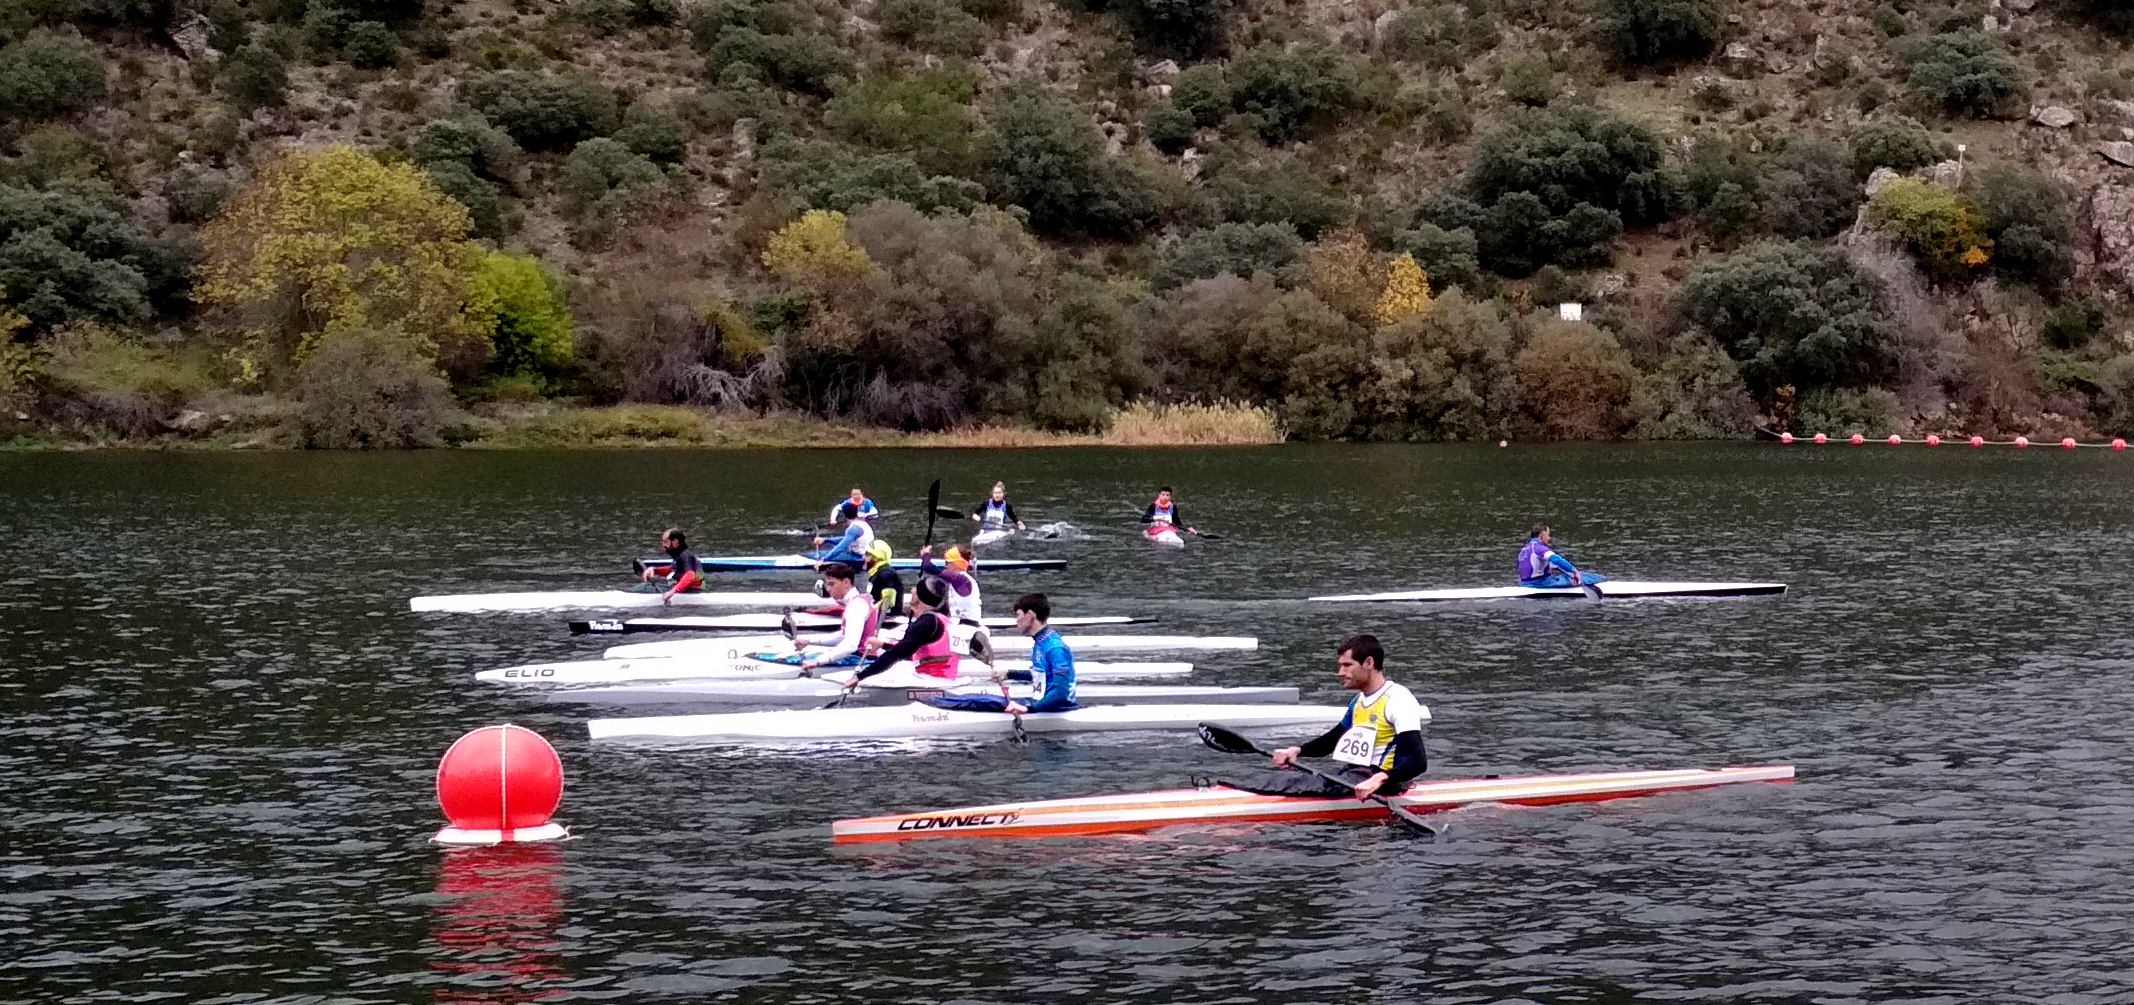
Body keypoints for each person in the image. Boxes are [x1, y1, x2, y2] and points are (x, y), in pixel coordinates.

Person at [1241, 635, 1427, 800]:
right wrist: (1297, 751)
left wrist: (1381, 778)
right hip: (1357, 776)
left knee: (1293, 783)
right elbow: (1333, 740)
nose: (1340, 673)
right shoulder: (1358, 701)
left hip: (1385, 783)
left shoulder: (1397, 700)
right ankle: (1243, 790)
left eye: (1347, 665)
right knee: (1289, 778)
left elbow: (1417, 761)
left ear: (1369, 663)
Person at [845, 576, 962, 689]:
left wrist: (860, 677)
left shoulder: (927, 622)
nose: (911, 590)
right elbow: (908, 649)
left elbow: (897, 654)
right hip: (944, 679)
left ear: (921, 597)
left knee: (886, 670)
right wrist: (882, 645)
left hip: (931, 681)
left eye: (915, 588)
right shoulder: (942, 619)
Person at [1001, 592, 1075, 714]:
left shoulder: (1055, 649)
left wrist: (1029, 709)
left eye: (1018, 615)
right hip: (1042, 705)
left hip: (1056, 709)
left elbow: (1061, 693)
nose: (1016, 621)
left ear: (1030, 615)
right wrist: (1009, 674)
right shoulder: (1041, 642)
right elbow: (1043, 676)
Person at [798, 563, 879, 673]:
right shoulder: (857, 602)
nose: (828, 589)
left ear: (846, 583)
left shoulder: (856, 605)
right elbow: (843, 636)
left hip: (860, 660)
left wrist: (817, 661)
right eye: (827, 584)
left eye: (832, 584)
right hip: (860, 657)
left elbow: (850, 645)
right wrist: (808, 641)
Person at [918, 544, 985, 655]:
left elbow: (928, 567)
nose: (945, 567)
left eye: (947, 563)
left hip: (966, 630)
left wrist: (926, 555)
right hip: (960, 626)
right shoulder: (959, 580)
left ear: (956, 564)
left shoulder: (960, 579)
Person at [1517, 523, 1607, 589]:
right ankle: (1603, 582)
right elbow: (1556, 560)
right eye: (1548, 535)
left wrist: (1550, 568)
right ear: (1541, 536)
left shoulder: (1525, 549)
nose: (1549, 538)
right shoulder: (1539, 548)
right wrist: (1573, 571)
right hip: (1540, 584)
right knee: (1592, 578)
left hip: (1525, 584)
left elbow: (1531, 567)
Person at [638, 528, 703, 605]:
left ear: (675, 542)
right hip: (685, 591)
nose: (663, 545)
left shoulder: (686, 556)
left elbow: (690, 575)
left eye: (665, 542)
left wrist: (672, 591)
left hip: (691, 593)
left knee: (645, 587)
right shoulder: (681, 556)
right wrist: (654, 570)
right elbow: (673, 571)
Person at [814, 502, 876, 567]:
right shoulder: (863, 524)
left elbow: (842, 547)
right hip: (864, 555)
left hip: (858, 558)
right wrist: (825, 540)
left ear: (844, 515)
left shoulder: (854, 529)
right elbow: (845, 540)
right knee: (827, 553)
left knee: (816, 556)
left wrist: (823, 560)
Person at [862, 539, 906, 617]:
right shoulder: (876, 573)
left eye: (867, 554)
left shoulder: (886, 574)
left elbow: (888, 603)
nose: (864, 558)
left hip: (888, 619)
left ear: (877, 557)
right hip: (877, 616)